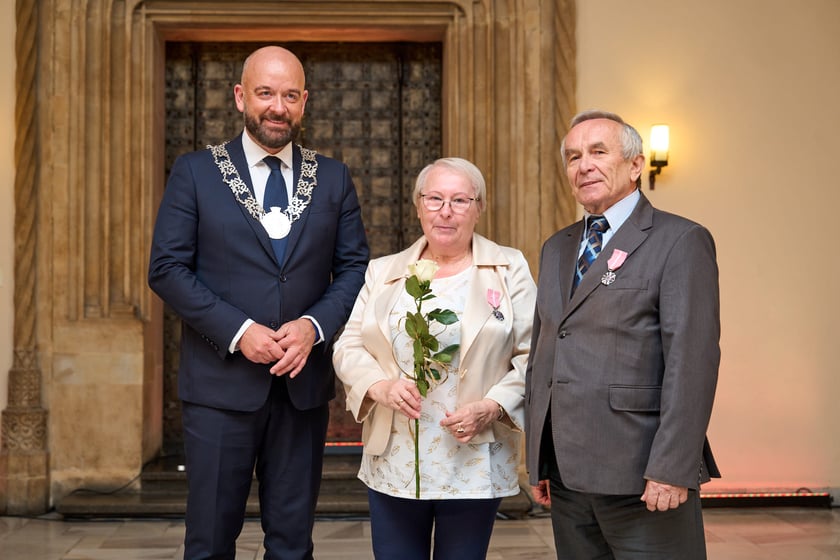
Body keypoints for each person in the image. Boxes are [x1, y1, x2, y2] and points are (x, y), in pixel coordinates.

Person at [148, 46, 369, 559]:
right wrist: (239, 330)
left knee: (292, 544)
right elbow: (167, 269)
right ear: (240, 97)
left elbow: (355, 268)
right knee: (209, 542)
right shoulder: (196, 173)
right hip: (218, 389)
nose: (277, 107)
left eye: (290, 96)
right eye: (265, 93)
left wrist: (314, 326)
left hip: (301, 389)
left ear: (304, 102)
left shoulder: (333, 178)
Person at [525, 110, 721, 559]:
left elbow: (692, 363)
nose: (584, 165)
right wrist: (540, 457)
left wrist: (672, 467)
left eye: (598, 152)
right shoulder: (556, 247)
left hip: (643, 476)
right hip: (567, 479)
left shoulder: (680, 240)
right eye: (573, 157)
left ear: (635, 165)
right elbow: (544, 352)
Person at [333, 157, 536, 560]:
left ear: (479, 207)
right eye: (435, 199)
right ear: (418, 206)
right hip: (395, 455)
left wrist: (493, 406)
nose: (446, 211)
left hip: (474, 455)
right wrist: (379, 386)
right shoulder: (383, 271)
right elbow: (348, 345)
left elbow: (534, 354)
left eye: (460, 200)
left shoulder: (508, 267)